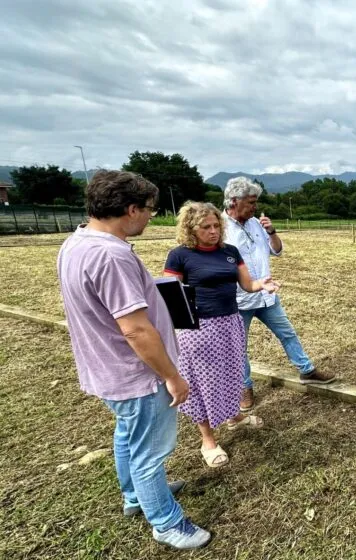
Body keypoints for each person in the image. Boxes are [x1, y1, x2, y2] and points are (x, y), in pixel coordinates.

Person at [57, 170, 211, 550]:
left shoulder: (76, 243)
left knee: (128, 436)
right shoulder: (111, 255)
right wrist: (172, 376)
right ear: (130, 209)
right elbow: (136, 330)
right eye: (149, 209)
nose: (151, 216)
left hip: (106, 369)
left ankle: (135, 496)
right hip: (136, 375)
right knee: (149, 453)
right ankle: (166, 522)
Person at [164, 202, 280, 468]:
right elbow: (171, 296)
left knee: (232, 374)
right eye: (206, 227)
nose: (214, 231)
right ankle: (208, 439)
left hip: (230, 322)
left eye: (217, 225)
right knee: (202, 382)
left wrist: (262, 284)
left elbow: (247, 284)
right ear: (191, 229)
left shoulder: (230, 252)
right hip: (198, 329)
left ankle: (233, 416)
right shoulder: (180, 255)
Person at [222, 176, 335, 412]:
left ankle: (307, 371)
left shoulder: (256, 224)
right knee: (238, 347)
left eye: (255, 202)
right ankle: (244, 388)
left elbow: (277, 250)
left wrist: (271, 231)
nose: (254, 207)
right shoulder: (220, 228)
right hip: (238, 300)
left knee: (287, 333)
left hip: (267, 295)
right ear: (234, 201)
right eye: (250, 202)